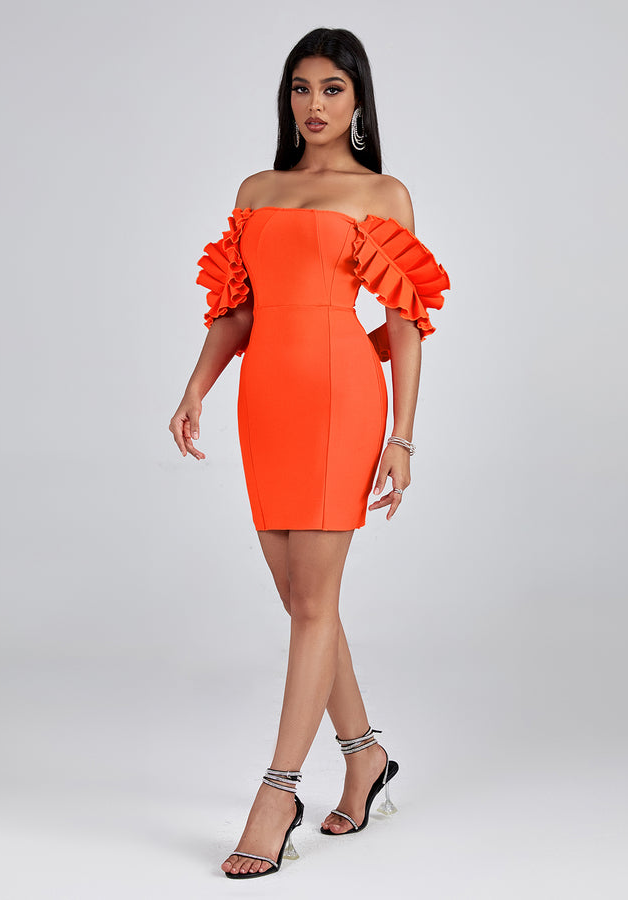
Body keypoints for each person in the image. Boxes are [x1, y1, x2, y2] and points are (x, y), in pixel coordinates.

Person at [169, 27, 450, 880]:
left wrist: (402, 435)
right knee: (302, 601)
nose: (315, 104)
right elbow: (239, 309)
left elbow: (404, 323)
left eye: (333, 88)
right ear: (286, 98)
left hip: (340, 402)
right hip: (266, 402)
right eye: (301, 88)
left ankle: (278, 792)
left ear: (358, 100)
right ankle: (366, 756)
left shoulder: (382, 193)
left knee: (313, 604)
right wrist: (196, 387)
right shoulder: (258, 190)